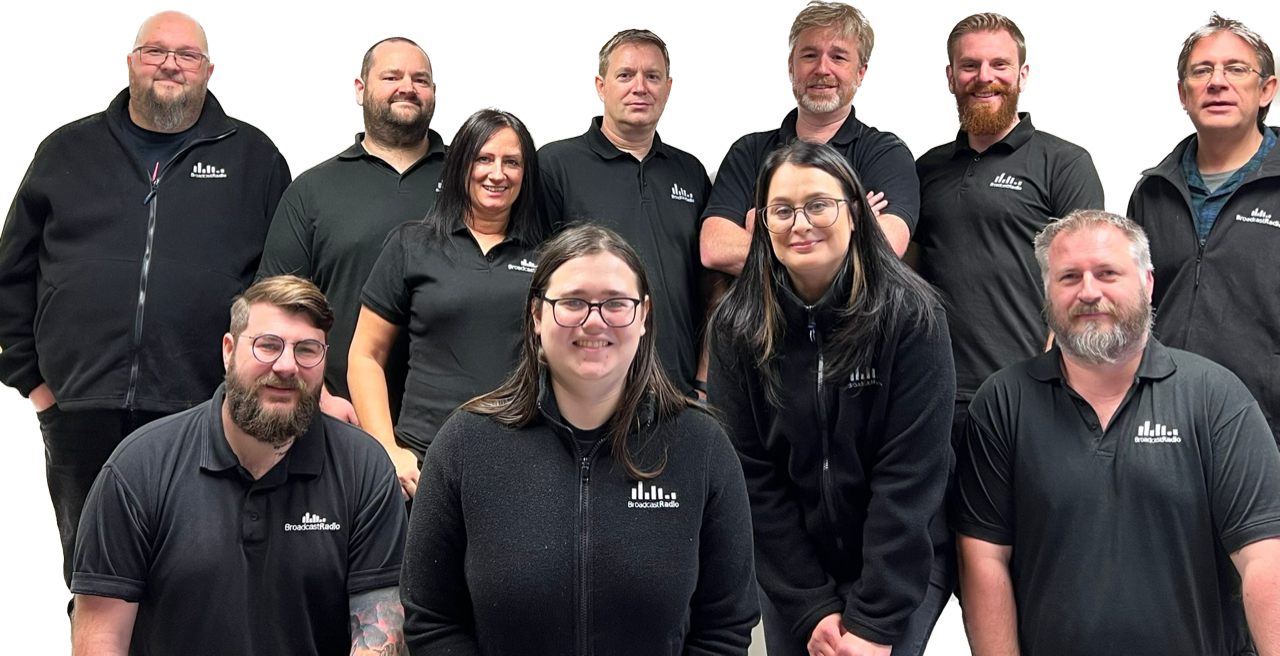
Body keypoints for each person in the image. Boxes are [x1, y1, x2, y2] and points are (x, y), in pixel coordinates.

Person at [0, 10, 290, 593]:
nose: (169, 64)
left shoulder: (254, 159)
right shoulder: (66, 149)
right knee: (92, 572)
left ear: (209, 71)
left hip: (202, 406)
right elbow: (14, 271)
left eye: (186, 55)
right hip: (80, 408)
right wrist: (33, 382)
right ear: (131, 63)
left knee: (196, 568)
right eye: (155, 51)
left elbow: (279, 285)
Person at [401, 224, 759, 654]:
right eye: (572, 302)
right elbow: (431, 619)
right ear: (536, 315)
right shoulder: (464, 444)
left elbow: (726, 626)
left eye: (616, 303)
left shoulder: (701, 448)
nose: (595, 320)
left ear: (643, 315)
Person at [954, 209, 1280, 655]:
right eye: (1069, 277)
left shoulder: (1215, 397)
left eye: (1107, 273)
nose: (1089, 292)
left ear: (1147, 283)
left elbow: (1265, 554)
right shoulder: (1003, 402)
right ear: (1047, 292)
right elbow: (984, 556)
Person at [70, 276, 408, 656]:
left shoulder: (364, 470)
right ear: (228, 350)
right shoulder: (138, 469)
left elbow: (380, 636)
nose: (286, 366)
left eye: (307, 350)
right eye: (267, 346)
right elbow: (101, 640)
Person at [711, 140, 954, 656]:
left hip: (900, 565)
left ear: (855, 213)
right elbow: (751, 477)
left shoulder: (911, 317)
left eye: (819, 204)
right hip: (796, 575)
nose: (801, 223)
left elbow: (910, 477)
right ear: (764, 225)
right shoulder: (736, 328)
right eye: (782, 210)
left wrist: (873, 622)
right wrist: (811, 606)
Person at [913, 11, 1104, 447]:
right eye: (969, 66)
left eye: (999, 65)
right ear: (950, 77)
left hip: (1028, 395)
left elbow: (1084, 276)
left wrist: (1053, 381)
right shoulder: (926, 167)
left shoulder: (1064, 162)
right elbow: (907, 272)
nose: (985, 78)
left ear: (1023, 74)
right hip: (934, 397)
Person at [349, 107, 545, 499]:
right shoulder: (412, 244)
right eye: (483, 158)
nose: (497, 173)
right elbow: (365, 355)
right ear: (460, 165)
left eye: (512, 162)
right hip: (423, 462)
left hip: (523, 458)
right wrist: (387, 449)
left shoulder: (550, 257)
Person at [257, 36, 445, 425]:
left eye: (420, 79)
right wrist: (318, 395)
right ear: (360, 90)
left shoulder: (471, 184)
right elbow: (273, 305)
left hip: (448, 420)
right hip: (339, 416)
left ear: (434, 93)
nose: (407, 87)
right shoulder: (313, 189)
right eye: (391, 76)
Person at [1127, 11, 1280, 446]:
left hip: (1265, 428)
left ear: (1267, 88)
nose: (1217, 82)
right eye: (1202, 70)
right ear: (1182, 93)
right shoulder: (1151, 192)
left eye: (1236, 68)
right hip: (1161, 423)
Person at [538, 29, 710, 396]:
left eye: (652, 76)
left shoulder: (690, 172)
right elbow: (533, 281)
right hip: (586, 387)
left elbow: (707, 286)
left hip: (677, 388)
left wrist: (703, 379)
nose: (640, 87)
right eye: (625, 75)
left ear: (668, 87)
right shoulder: (555, 166)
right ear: (600, 86)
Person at [701, 1, 917, 274]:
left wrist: (765, 235)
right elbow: (714, 248)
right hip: (764, 317)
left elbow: (887, 246)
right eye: (809, 55)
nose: (822, 69)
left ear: (861, 73)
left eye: (838, 57)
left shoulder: (886, 154)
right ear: (791, 67)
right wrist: (847, 225)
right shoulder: (749, 152)